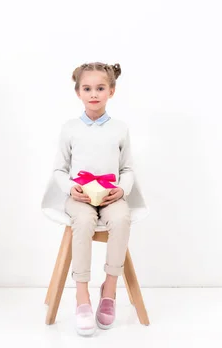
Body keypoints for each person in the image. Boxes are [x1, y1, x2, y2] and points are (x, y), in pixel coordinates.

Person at [41, 62, 147, 336]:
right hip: (79, 197)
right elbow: (59, 169)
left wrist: (122, 190)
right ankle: (82, 295)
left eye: (100, 88)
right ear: (78, 93)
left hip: (111, 196)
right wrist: (70, 188)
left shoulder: (120, 129)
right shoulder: (70, 128)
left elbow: (127, 168)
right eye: (87, 88)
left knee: (122, 219)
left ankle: (109, 289)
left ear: (111, 91)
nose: (94, 94)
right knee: (85, 221)